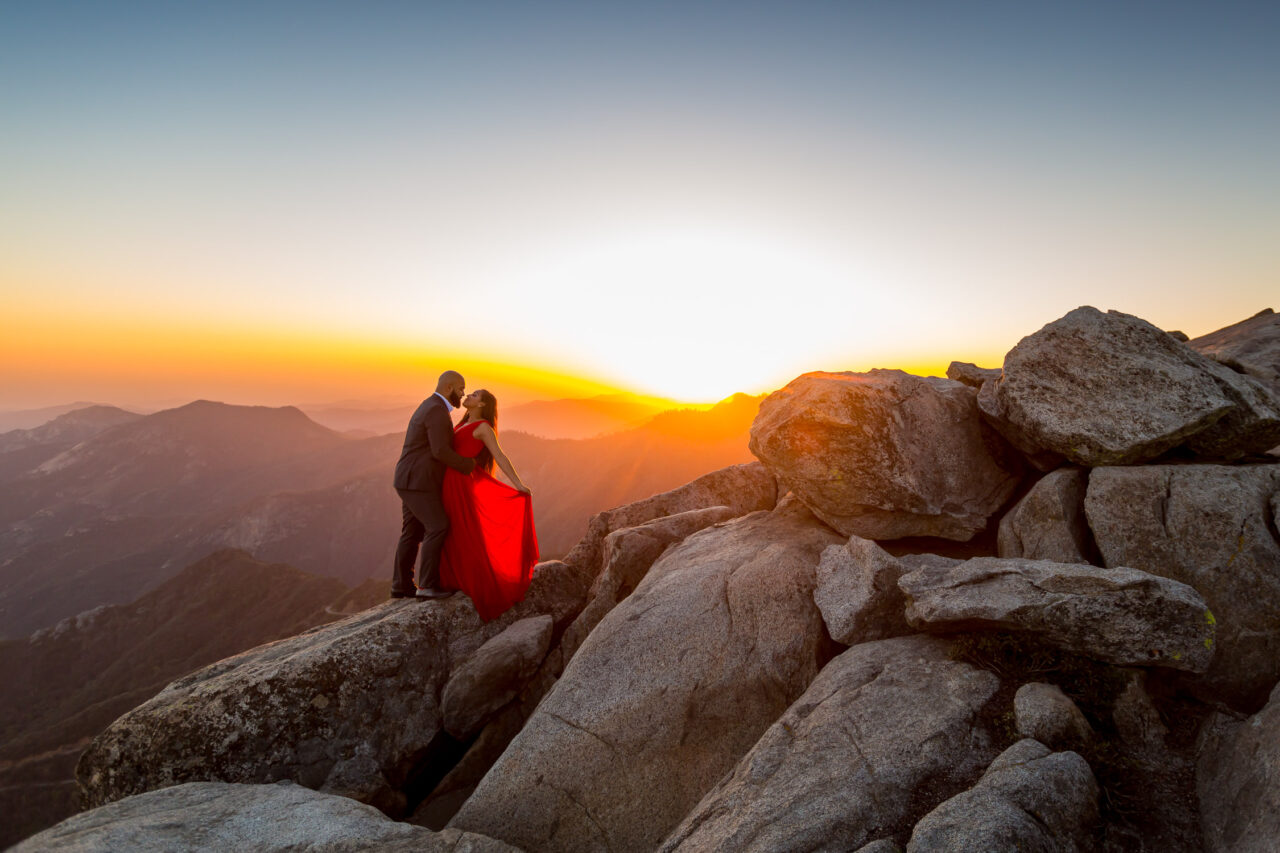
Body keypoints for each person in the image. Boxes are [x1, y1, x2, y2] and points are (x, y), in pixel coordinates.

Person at [438, 388, 539, 621]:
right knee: (451, 529)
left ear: (482, 405)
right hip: (449, 482)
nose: (468, 396)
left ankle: (474, 581)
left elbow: (500, 456)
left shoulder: (483, 428)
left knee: (462, 530)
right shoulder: (463, 422)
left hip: (462, 485)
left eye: (474, 395)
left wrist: (518, 485)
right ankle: (452, 578)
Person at [391, 370, 476, 600]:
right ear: (449, 388)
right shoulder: (437, 410)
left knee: (412, 532)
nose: (463, 393)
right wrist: (468, 465)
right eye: (461, 389)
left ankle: (401, 586)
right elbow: (440, 450)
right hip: (419, 481)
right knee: (438, 526)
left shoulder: (430, 405)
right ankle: (427, 585)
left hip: (408, 479)